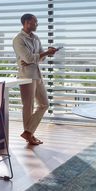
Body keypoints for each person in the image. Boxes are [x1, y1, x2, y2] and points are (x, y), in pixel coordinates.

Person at [13, 13, 58, 145]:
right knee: (28, 106)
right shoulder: (18, 39)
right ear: (26, 23)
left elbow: (40, 57)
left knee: (44, 104)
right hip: (26, 76)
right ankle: (30, 134)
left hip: (37, 74)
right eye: (35, 22)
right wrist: (37, 56)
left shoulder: (36, 38)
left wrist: (42, 55)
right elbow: (28, 58)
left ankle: (27, 132)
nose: (37, 24)